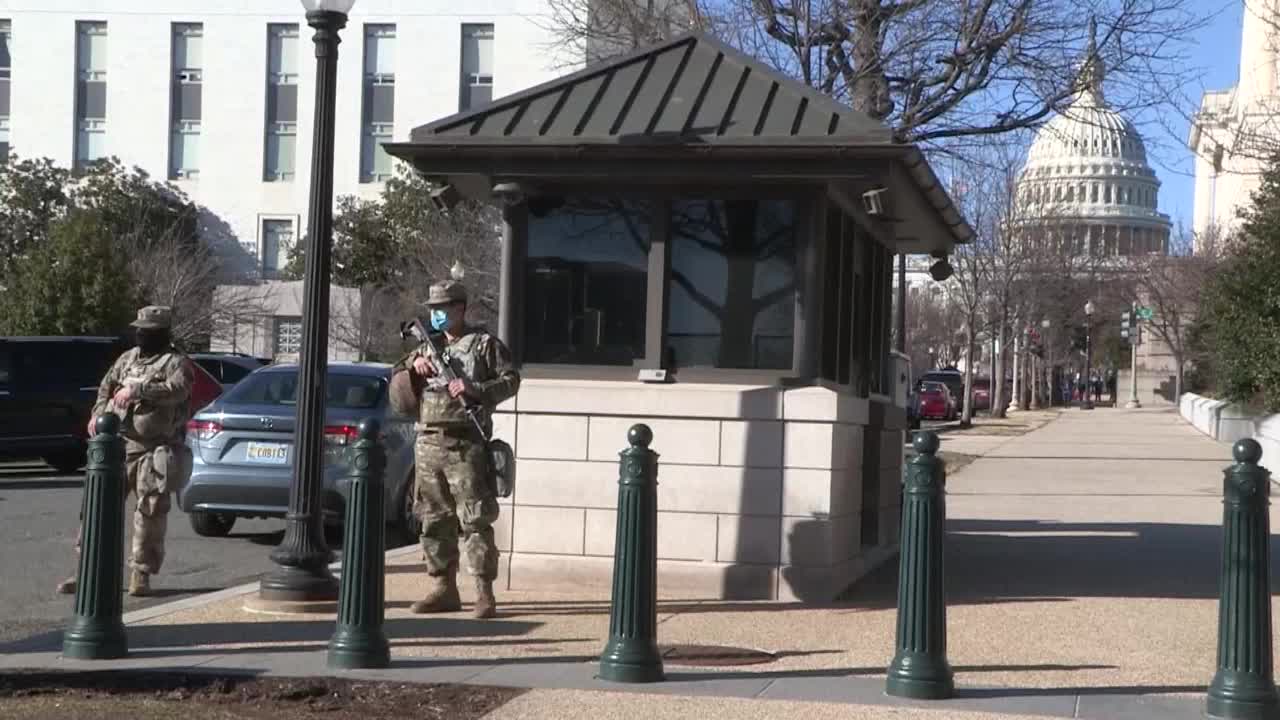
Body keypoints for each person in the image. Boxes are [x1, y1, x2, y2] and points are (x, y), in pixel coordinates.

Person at [397, 280, 520, 619]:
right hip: (428, 443)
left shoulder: (483, 345)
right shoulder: (424, 346)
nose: (437, 314)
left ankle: (483, 592)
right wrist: (413, 370)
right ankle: (443, 587)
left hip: (466, 443)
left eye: (444, 308)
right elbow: (398, 392)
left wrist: (475, 388)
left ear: (461, 308)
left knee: (475, 519)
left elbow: (511, 380)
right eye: (433, 309)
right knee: (433, 519)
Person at [56, 306, 193, 597]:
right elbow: (106, 387)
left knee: (149, 513)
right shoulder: (127, 358)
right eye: (139, 329)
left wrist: (140, 390)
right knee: (97, 510)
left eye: (148, 330)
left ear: (162, 333)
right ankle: (86, 571)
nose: (140, 334)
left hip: (153, 448)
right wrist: (97, 414)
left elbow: (178, 390)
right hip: (117, 446)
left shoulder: (175, 362)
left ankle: (140, 574)